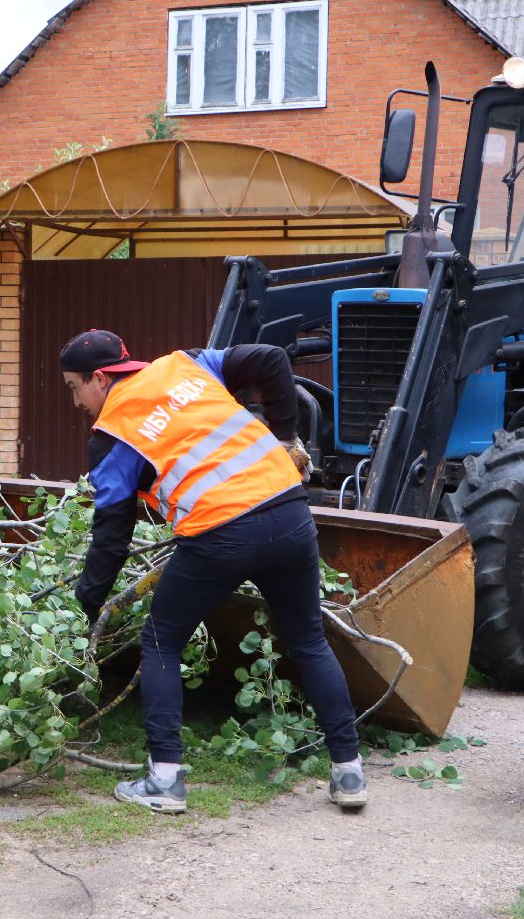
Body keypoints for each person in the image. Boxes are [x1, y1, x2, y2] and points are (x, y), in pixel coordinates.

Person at [61, 329, 366, 813]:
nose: (76, 400)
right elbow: (269, 358)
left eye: (74, 387)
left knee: (162, 641)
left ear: (99, 379)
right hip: (289, 513)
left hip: (219, 535)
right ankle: (348, 772)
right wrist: (285, 437)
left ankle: (164, 780)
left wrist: (85, 605)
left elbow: (111, 536)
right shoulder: (186, 364)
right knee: (308, 639)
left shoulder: (111, 435)